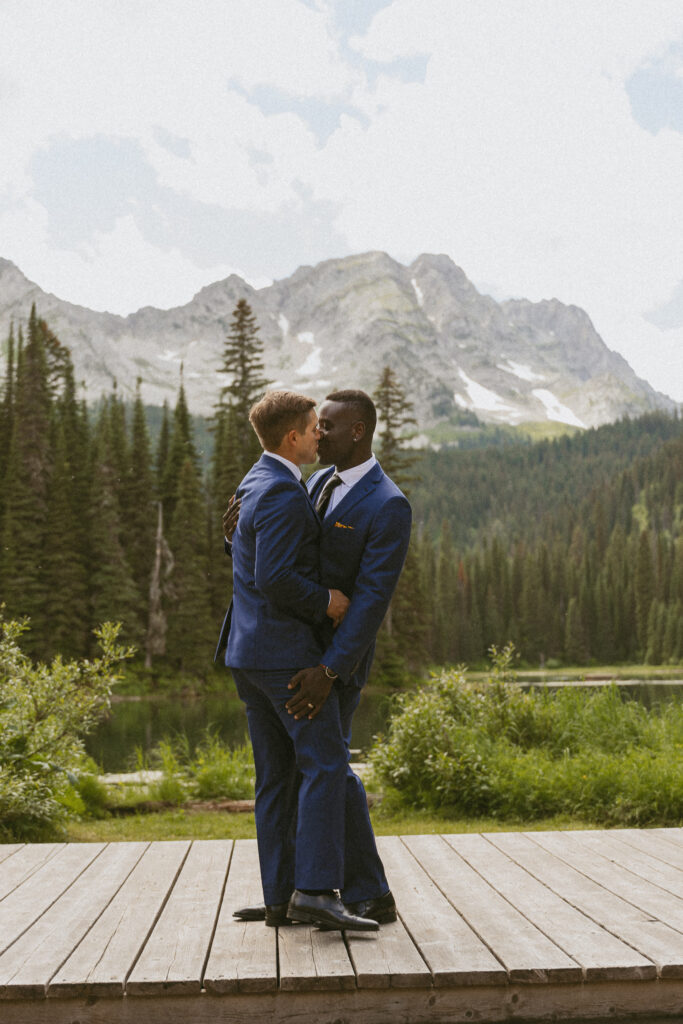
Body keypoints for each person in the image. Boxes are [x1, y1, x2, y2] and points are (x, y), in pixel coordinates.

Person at [229, 388, 412, 926]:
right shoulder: (308, 482)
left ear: (357, 431)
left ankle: (321, 891)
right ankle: (318, 893)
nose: (319, 433)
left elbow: (370, 604)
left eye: (328, 426)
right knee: (321, 770)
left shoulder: (388, 503)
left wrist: (331, 670)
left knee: (326, 770)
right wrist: (237, 538)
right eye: (316, 425)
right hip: (290, 656)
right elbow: (278, 554)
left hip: (327, 666)